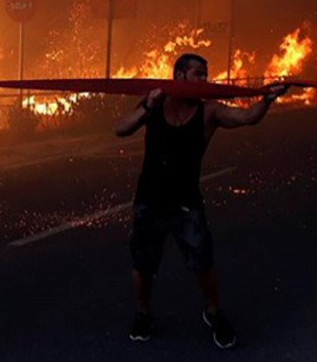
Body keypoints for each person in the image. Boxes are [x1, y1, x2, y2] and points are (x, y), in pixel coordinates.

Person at [115, 52, 289, 349]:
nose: (204, 80)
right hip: (150, 200)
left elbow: (248, 117)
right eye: (198, 74)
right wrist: (147, 105)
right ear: (179, 76)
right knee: (142, 266)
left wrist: (267, 99)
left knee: (203, 265)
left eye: (205, 74)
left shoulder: (209, 112)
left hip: (186, 203)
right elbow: (121, 129)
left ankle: (214, 312)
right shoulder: (155, 104)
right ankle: (143, 314)